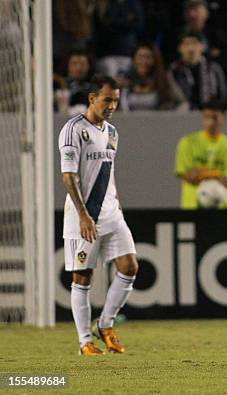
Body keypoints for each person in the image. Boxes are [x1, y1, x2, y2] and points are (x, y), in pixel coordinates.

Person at [58, 75, 139, 356]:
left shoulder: (112, 132)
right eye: (107, 99)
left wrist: (117, 205)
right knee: (83, 278)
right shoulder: (73, 130)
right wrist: (83, 214)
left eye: (116, 100)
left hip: (111, 213)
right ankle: (85, 343)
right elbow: (69, 177)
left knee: (129, 267)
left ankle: (105, 325)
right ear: (92, 98)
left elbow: (107, 175)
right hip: (84, 217)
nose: (113, 105)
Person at [175, 103, 227, 209]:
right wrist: (217, 175)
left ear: (223, 118)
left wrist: (201, 174)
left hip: (224, 206)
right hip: (192, 206)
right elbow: (187, 175)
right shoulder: (187, 143)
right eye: (207, 117)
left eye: (215, 117)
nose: (211, 122)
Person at [168, 32, 227, 110]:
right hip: (183, 113)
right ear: (179, 48)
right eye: (186, 44)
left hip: (210, 111)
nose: (190, 48)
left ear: (202, 46)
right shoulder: (174, 70)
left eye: (194, 43)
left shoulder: (213, 68)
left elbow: (222, 95)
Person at [120, 43, 178, 111]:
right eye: (140, 57)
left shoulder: (163, 80)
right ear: (134, 59)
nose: (143, 61)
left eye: (147, 57)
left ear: (155, 60)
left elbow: (176, 103)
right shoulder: (124, 80)